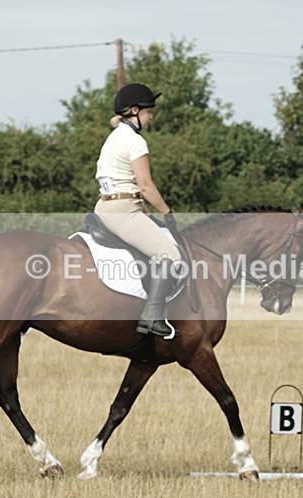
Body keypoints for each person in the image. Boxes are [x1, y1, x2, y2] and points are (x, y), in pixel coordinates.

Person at [94, 83, 181, 338]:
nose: (151, 116)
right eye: (148, 111)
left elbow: (123, 181)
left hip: (105, 207)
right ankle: (152, 317)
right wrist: (167, 212)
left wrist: (144, 209)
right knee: (169, 255)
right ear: (134, 111)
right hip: (123, 211)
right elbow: (145, 185)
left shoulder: (114, 137)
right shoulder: (135, 142)